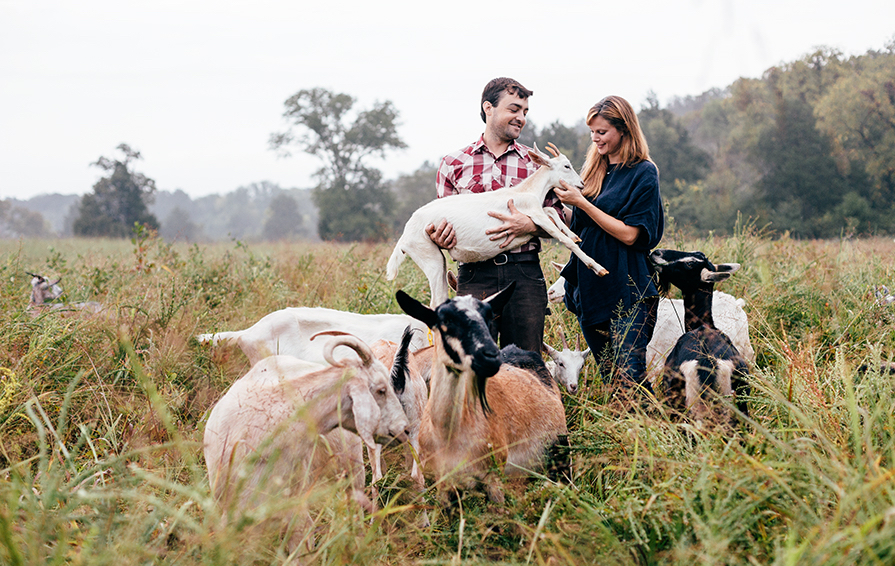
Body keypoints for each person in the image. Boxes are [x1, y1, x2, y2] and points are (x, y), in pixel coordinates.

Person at [424, 77, 561, 353]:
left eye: (524, 111)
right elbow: (443, 220)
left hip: (524, 274)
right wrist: (439, 235)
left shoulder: (537, 165)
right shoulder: (453, 164)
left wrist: (530, 224)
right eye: (514, 109)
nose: (521, 117)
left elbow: (560, 216)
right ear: (489, 108)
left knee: (526, 364)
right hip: (475, 275)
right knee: (471, 361)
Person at [552, 95, 664, 392]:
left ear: (624, 129)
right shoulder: (592, 171)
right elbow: (580, 227)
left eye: (602, 132)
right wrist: (557, 206)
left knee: (630, 378)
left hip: (628, 291)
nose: (595, 138)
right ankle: (628, 437)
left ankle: (660, 432)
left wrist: (583, 204)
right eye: (592, 132)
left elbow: (632, 234)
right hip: (590, 291)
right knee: (612, 381)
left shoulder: (643, 172)